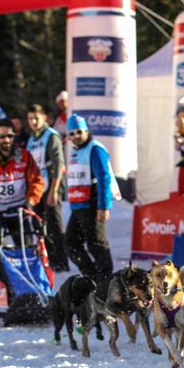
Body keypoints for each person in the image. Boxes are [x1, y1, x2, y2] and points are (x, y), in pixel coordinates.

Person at [65, 114, 114, 285]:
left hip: (92, 205)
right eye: (72, 133)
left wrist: (104, 206)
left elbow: (104, 177)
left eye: (79, 132)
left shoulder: (95, 148)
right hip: (78, 206)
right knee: (71, 244)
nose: (76, 136)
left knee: (97, 246)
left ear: (86, 131)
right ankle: (94, 278)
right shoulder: (76, 151)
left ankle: (106, 284)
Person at [27, 104, 69, 272]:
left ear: (44, 117)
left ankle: (61, 262)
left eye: (36, 118)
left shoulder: (51, 136)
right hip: (37, 187)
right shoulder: (32, 138)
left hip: (52, 184)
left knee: (54, 225)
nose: (33, 122)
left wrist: (54, 190)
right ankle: (48, 260)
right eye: (30, 119)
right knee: (38, 224)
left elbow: (59, 164)